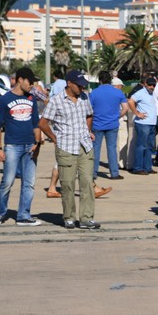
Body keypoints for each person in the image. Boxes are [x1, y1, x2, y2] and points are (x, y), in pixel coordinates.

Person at [39, 70, 101, 229]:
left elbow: (89, 115)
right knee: (67, 184)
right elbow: (43, 123)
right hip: (65, 147)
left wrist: (88, 131)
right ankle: (69, 217)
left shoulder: (84, 98)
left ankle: (86, 218)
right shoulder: (56, 101)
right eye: (79, 85)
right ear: (69, 84)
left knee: (87, 182)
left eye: (83, 86)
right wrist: (55, 139)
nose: (82, 88)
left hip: (85, 146)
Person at [0, 67, 44, 227]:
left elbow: (36, 123)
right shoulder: (4, 100)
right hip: (12, 146)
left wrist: (37, 143)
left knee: (29, 182)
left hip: (30, 146)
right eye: (30, 82)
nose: (32, 86)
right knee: (7, 181)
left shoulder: (31, 99)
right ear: (20, 80)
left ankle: (24, 215)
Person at [90, 71, 128, 180]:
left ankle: (93, 173)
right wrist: (117, 116)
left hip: (97, 124)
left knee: (95, 149)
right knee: (112, 148)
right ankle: (114, 173)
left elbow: (89, 110)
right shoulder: (118, 92)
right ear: (110, 80)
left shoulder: (93, 93)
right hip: (112, 123)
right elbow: (125, 108)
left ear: (99, 80)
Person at [128, 76, 158, 174]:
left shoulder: (152, 94)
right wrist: (137, 113)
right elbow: (130, 101)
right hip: (143, 124)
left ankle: (147, 167)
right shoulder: (141, 93)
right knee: (141, 146)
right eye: (150, 85)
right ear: (145, 84)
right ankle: (138, 168)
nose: (152, 87)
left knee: (150, 146)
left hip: (151, 124)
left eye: (153, 85)